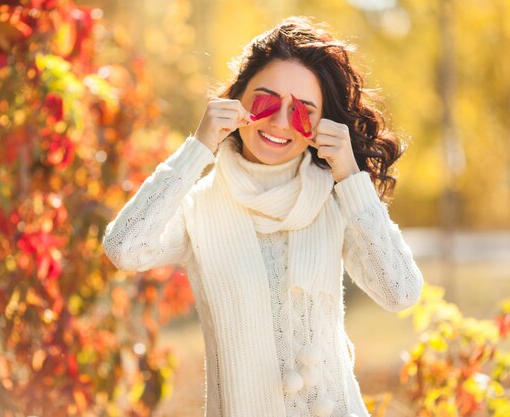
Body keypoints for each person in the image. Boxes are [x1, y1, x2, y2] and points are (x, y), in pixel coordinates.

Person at [102, 16, 423, 417]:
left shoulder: (336, 200)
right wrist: (198, 147)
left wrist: (351, 176)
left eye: (303, 111)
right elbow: (124, 247)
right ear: (235, 99)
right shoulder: (198, 207)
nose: (280, 122)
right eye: (266, 101)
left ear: (321, 125)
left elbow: (401, 292)